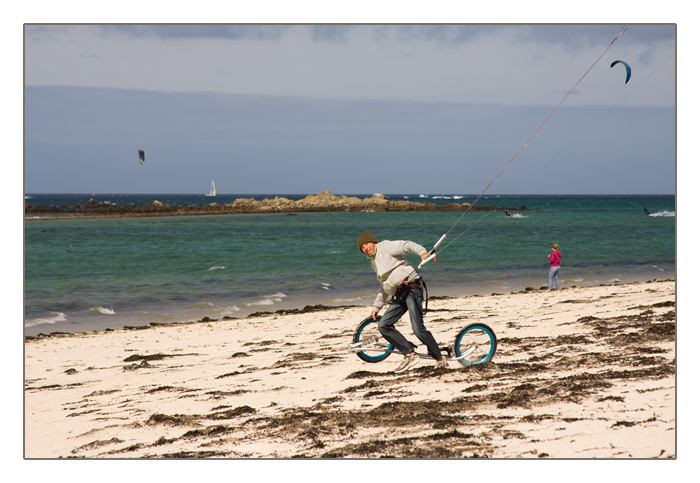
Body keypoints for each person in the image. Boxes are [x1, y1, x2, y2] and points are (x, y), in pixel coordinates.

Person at [357, 231, 447, 372]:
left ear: (373, 242)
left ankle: (440, 359)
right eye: (362, 248)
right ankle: (409, 353)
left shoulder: (385, 246)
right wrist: (376, 307)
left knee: (418, 330)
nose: (365, 248)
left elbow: (407, 245)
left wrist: (422, 252)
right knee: (383, 325)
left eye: (366, 244)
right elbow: (384, 287)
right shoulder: (374, 263)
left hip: (412, 289)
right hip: (400, 295)